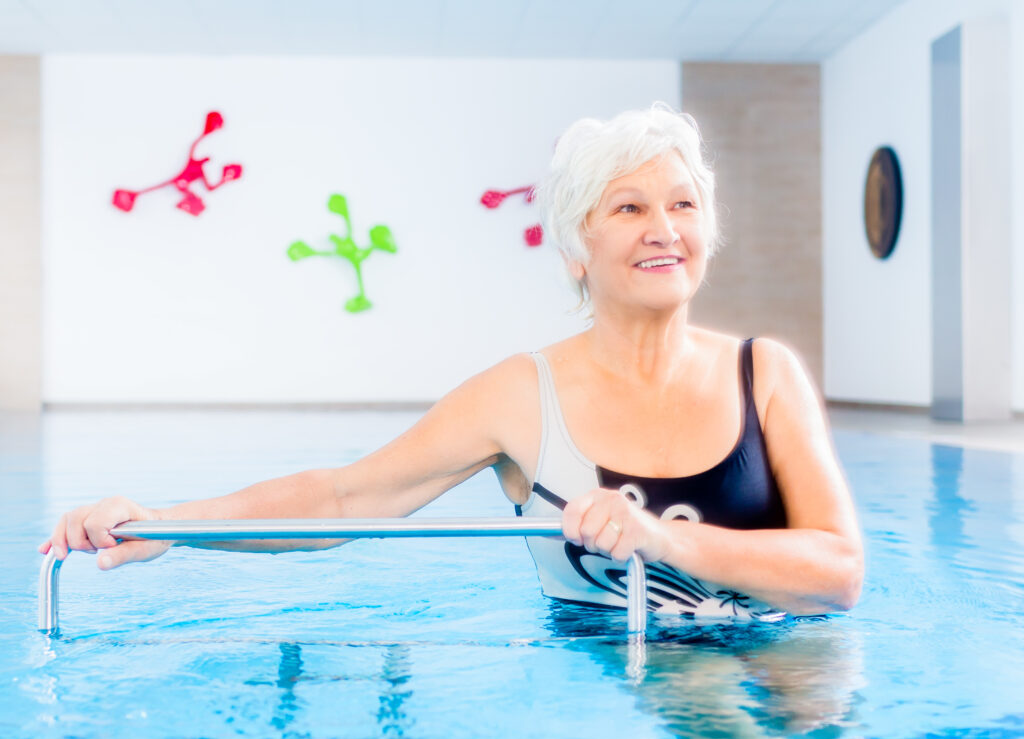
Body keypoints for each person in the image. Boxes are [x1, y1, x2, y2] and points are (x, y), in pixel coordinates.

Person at [41, 105, 863, 620]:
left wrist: (663, 540)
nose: (665, 228)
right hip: (618, 692)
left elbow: (838, 572)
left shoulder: (766, 375)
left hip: (788, 664)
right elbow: (344, 497)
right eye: (630, 207)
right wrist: (171, 527)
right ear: (577, 249)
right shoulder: (520, 396)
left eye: (684, 206)